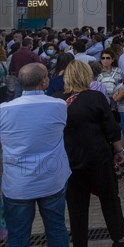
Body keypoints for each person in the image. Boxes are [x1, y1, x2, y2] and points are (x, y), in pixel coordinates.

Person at [56, 60, 124, 247]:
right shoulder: (95, 97)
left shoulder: (57, 100)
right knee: (109, 198)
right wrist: (118, 150)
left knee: (76, 206)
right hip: (98, 157)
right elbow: (111, 128)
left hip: (70, 159)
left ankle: (80, 242)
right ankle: (120, 237)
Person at [0, 63, 71, 247]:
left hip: (18, 184)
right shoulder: (59, 105)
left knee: (17, 236)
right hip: (51, 180)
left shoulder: (4, 110)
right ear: (44, 81)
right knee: (56, 230)